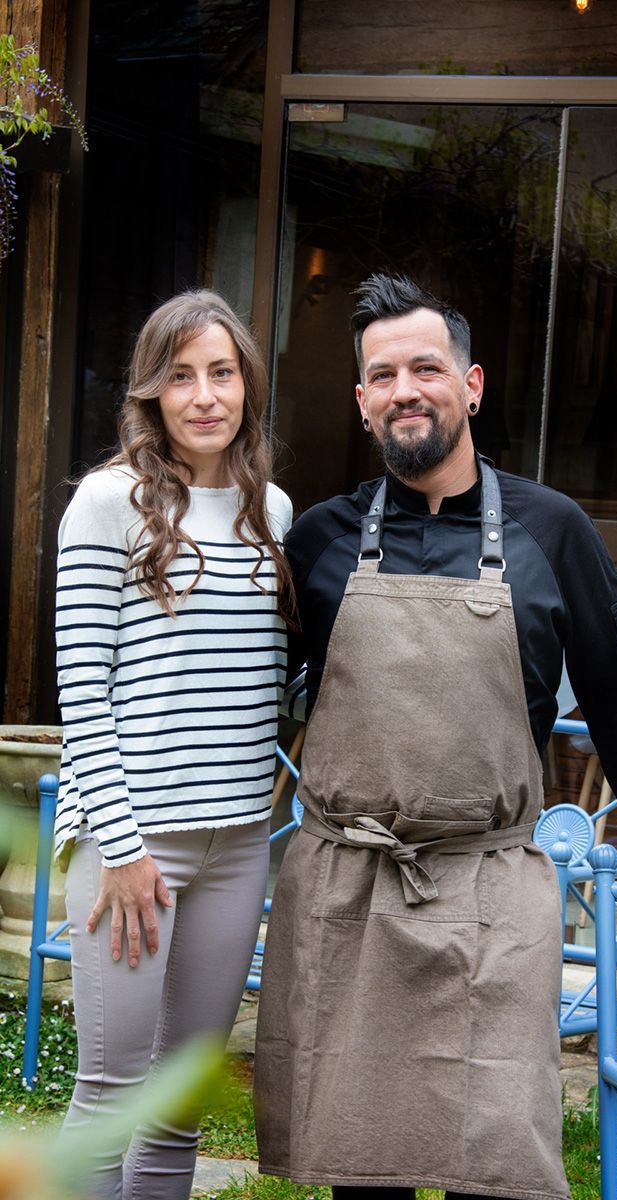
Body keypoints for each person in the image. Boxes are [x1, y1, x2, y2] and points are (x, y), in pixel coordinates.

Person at [254, 274, 617, 1200]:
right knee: (366, 1162)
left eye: (426, 367)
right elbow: (248, 694)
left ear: (471, 384)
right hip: (351, 892)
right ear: (361, 401)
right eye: (384, 374)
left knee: (499, 1163)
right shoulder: (319, 539)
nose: (407, 389)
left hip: (489, 889)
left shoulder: (550, 531)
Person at [54, 289, 294, 1200]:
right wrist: (119, 849)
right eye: (181, 376)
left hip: (237, 849)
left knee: (176, 1108)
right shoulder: (106, 502)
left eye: (222, 373)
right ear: (151, 392)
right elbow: (84, 689)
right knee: (113, 1094)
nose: (204, 396)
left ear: (246, 386)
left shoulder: (269, 508)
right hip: (134, 846)